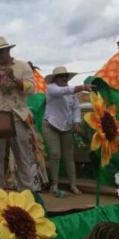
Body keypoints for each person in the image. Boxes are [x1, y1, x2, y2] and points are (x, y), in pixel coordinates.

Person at [0, 36, 38, 191]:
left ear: (8, 50)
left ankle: (27, 192)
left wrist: (13, 78)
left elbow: (31, 89)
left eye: (0, 52)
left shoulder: (23, 66)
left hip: (18, 115)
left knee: (22, 156)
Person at [43, 66, 93, 198]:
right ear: (55, 79)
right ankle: (54, 185)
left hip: (66, 126)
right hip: (50, 125)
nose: (64, 78)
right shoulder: (51, 88)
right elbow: (62, 91)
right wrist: (82, 87)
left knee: (69, 156)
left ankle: (73, 185)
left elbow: (76, 108)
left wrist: (77, 121)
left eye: (65, 76)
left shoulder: (71, 92)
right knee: (54, 154)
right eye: (61, 76)